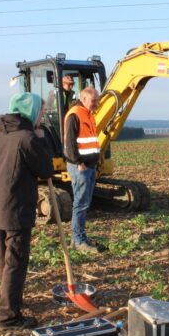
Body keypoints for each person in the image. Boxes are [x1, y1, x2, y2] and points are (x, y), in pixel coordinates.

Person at [0, 92, 53, 330]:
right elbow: (45, 171)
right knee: (15, 261)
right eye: (40, 112)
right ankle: (8, 316)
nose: (41, 117)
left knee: (6, 259)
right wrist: (42, 139)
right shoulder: (27, 138)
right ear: (31, 112)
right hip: (16, 209)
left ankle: (10, 300)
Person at [63, 86, 101, 254]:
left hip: (89, 165)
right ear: (84, 99)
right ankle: (79, 240)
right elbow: (69, 145)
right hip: (81, 166)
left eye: (97, 100)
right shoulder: (75, 115)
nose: (97, 104)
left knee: (84, 204)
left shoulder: (88, 114)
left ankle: (76, 239)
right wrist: (79, 162)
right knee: (81, 204)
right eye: (94, 101)